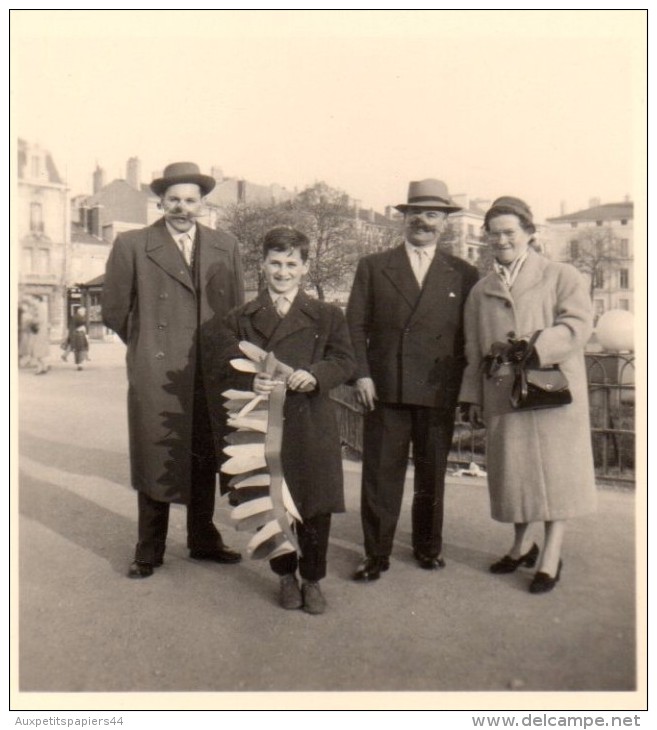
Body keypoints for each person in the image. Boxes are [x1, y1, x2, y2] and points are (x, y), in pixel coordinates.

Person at [102, 161, 245, 578]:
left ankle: (203, 538)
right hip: (158, 371)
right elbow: (114, 310)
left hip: (209, 369)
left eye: (190, 200)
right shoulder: (133, 244)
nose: (182, 207)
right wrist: (148, 346)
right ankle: (149, 548)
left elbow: (235, 310)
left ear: (202, 203)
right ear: (160, 201)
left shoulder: (226, 245)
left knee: (205, 453)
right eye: (174, 200)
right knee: (157, 453)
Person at [458, 196, 597, 594]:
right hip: (504, 393)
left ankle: (551, 554)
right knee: (515, 475)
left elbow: (577, 325)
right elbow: (472, 349)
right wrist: (472, 397)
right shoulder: (480, 291)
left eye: (510, 232)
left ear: (529, 234)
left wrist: (534, 346)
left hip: (554, 392)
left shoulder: (560, 275)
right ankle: (521, 545)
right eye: (494, 233)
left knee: (556, 476)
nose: (501, 240)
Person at [346, 179, 479, 581]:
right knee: (380, 475)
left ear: (445, 223)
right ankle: (376, 553)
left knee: (431, 473)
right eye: (416, 213)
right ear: (403, 219)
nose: (424, 221)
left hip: (438, 387)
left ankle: (428, 547)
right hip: (385, 386)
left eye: (433, 214)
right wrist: (362, 374)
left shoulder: (463, 272)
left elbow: (470, 336)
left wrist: (466, 391)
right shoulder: (374, 266)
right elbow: (354, 325)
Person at [219, 227, 355, 614]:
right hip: (260, 425)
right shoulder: (241, 317)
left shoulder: (327, 315)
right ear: (262, 266)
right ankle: (284, 576)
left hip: (311, 421)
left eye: (291, 264)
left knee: (314, 505)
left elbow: (345, 360)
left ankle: (312, 579)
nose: (282, 272)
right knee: (269, 499)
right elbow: (222, 364)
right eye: (275, 263)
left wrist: (315, 374)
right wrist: (250, 378)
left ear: (305, 268)